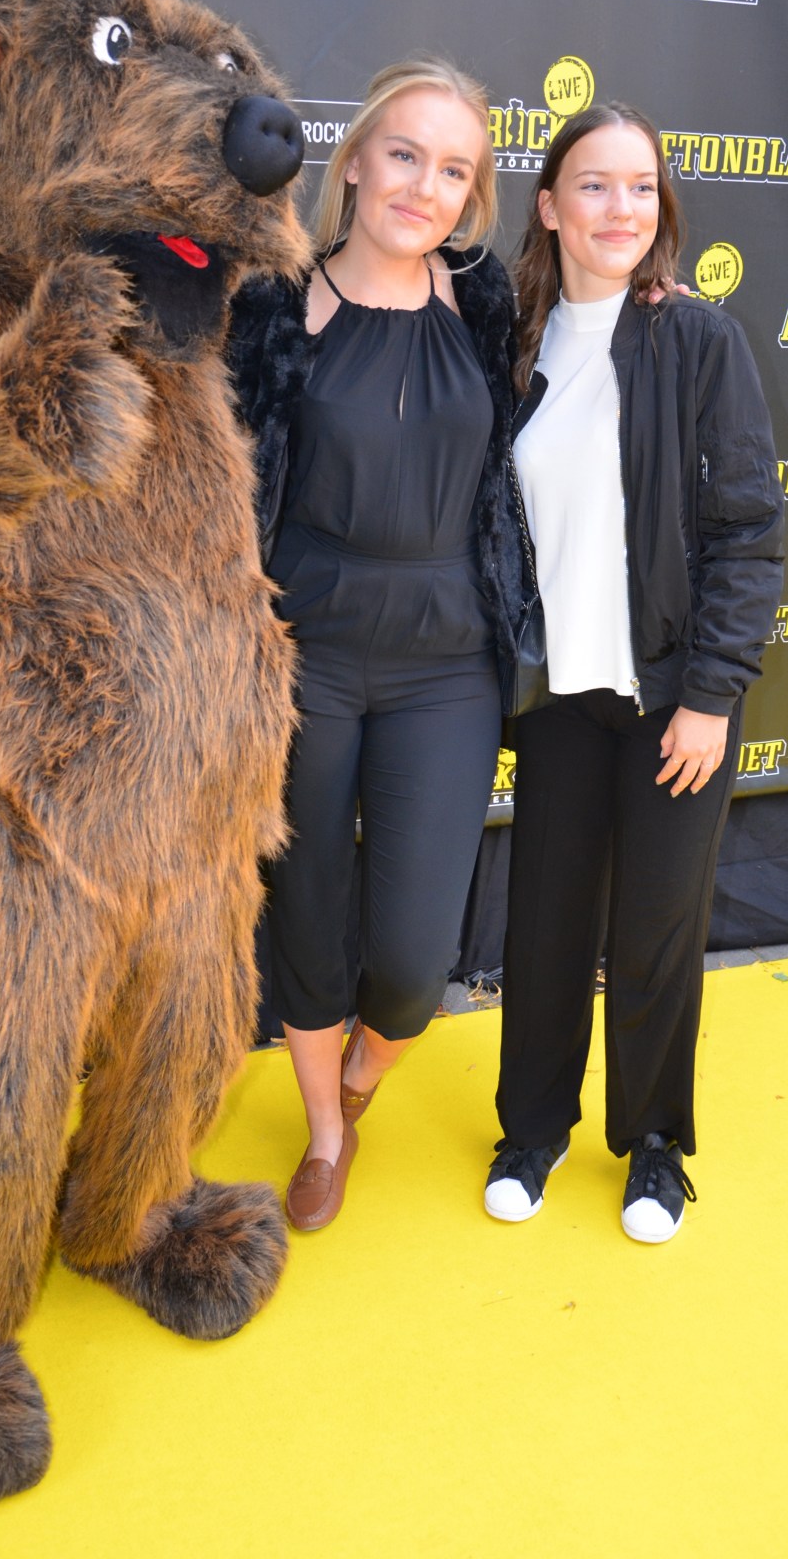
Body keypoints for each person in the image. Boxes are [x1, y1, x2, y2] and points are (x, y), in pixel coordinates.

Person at [228, 60, 526, 1231]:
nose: (424, 186)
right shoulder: (271, 306)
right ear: (353, 160)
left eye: (454, 170)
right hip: (304, 649)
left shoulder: (489, 300)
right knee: (306, 908)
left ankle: (363, 1070)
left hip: (448, 655)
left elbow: (604, 320)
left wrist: (656, 294)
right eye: (405, 154)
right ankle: (323, 1130)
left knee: (411, 960)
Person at [484, 102, 784, 1243]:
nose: (622, 208)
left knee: (658, 928)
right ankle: (533, 1129)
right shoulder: (509, 337)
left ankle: (655, 1146)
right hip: (558, 698)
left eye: (642, 187)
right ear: (550, 206)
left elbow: (748, 530)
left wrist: (711, 694)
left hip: (673, 698)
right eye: (594, 185)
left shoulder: (697, 338)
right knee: (546, 921)